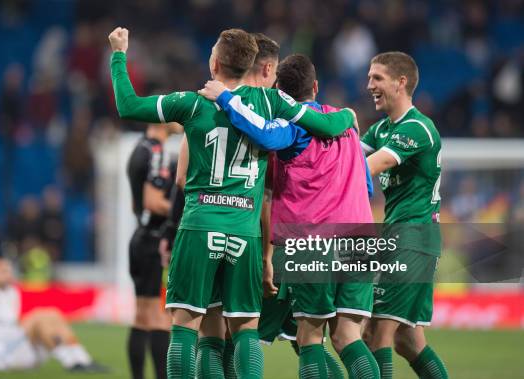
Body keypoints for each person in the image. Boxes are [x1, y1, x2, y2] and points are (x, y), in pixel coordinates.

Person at [109, 26, 356, 378]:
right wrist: (347, 116)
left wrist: (119, 54)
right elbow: (325, 125)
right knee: (244, 330)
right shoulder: (272, 102)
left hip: (199, 226)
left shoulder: (192, 103)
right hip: (245, 232)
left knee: (189, 327)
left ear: (215, 63)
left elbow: (127, 105)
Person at [199, 53, 378, 378]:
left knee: (310, 337)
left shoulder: (292, 127)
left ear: (279, 89)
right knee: (347, 336)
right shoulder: (348, 125)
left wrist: (225, 99)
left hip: (313, 241)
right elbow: (366, 186)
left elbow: (266, 135)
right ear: (316, 86)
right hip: (360, 239)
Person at [360, 51, 449, 379]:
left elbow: (367, 166)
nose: (369, 85)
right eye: (369, 78)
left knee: (376, 334)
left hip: (412, 239)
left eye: (377, 78)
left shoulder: (417, 128)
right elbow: (346, 156)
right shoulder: (382, 128)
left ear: (401, 82)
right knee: (408, 342)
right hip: (401, 238)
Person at [0, 257, 105, 372]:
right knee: (38, 316)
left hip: (19, 350)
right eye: (2, 271)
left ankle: (82, 359)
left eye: (8, 270)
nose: (8, 274)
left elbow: (12, 323)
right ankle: (70, 362)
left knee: (52, 313)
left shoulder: (12, 292)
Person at [126, 121, 182, 379]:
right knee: (161, 318)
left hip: (140, 238)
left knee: (142, 317)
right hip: (155, 243)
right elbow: (152, 201)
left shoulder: (140, 149)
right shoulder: (157, 151)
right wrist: (183, 211)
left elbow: (136, 202)